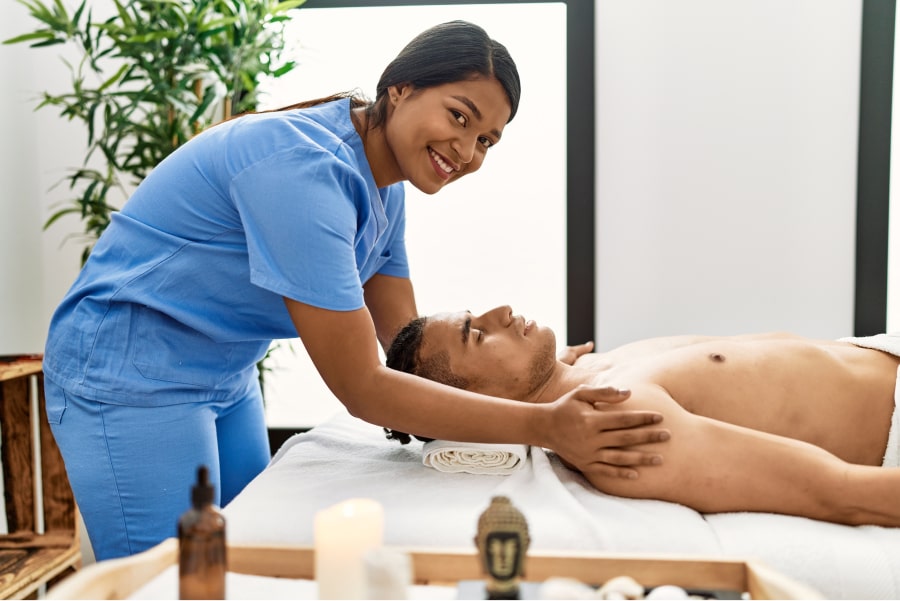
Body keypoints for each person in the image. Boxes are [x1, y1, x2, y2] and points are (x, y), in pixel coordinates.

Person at [41, 21, 669, 561]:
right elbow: (365, 386)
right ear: (400, 87)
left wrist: (536, 377)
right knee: (178, 581)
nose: (468, 150)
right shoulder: (303, 175)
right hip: (128, 373)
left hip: (222, 375)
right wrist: (545, 424)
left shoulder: (384, 188)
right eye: (460, 116)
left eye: (486, 141)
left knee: (246, 558)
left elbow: (407, 348)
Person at [385, 305, 900, 527]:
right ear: (478, 402)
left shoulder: (591, 368)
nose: (500, 312)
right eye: (477, 334)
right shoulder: (613, 425)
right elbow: (840, 493)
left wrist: (552, 372)